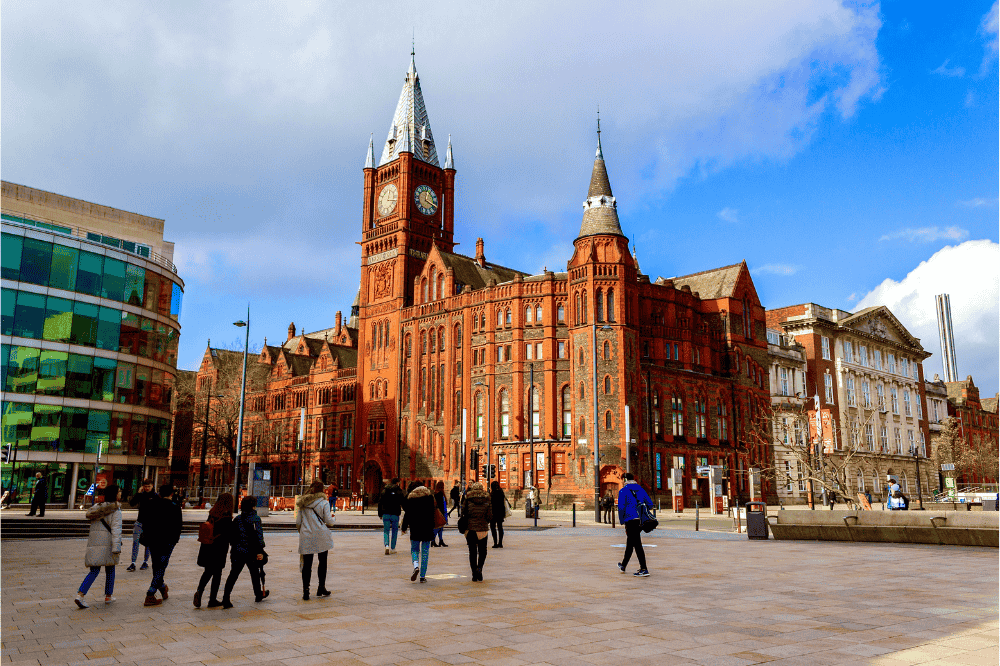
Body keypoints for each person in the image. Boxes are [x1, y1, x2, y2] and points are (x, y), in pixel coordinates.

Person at [73, 484, 122, 608]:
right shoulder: (116, 510)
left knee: (94, 571)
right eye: (119, 491)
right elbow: (116, 530)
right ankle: (108, 596)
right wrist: (117, 548)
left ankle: (80, 594)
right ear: (115, 494)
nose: (120, 493)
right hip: (109, 543)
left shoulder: (96, 507)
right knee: (110, 568)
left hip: (95, 543)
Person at [140, 483, 182, 606]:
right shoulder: (175, 507)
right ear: (171, 494)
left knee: (157, 565)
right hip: (167, 541)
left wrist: (147, 536)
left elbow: (145, 522)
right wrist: (174, 540)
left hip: (153, 540)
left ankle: (162, 586)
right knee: (161, 565)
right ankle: (150, 593)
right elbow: (178, 526)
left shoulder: (152, 504)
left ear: (159, 493)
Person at [222, 496, 267, 608]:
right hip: (251, 551)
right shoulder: (256, 519)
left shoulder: (237, 519)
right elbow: (259, 536)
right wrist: (260, 550)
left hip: (238, 551)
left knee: (233, 574)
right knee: (255, 573)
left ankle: (226, 597)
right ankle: (258, 594)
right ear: (253, 506)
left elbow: (232, 536)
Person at [296, 481, 335, 600]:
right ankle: (321, 587)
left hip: (307, 536)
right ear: (322, 490)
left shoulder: (303, 504)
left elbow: (298, 522)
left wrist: (302, 532)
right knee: (322, 562)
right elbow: (329, 521)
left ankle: (306, 591)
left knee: (307, 564)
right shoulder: (324, 503)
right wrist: (333, 519)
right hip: (321, 535)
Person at [194, 492, 234, 609]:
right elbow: (228, 534)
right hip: (219, 548)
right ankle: (212, 599)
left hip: (207, 545)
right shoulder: (226, 516)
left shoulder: (212, 513)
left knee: (208, 571)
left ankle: (200, 592)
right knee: (217, 573)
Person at [617, 473, 652, 577]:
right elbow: (649, 504)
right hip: (640, 520)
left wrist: (622, 520)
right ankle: (623, 565)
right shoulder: (640, 489)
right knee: (631, 542)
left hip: (630, 520)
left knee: (637, 544)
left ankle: (644, 568)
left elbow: (621, 508)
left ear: (625, 480)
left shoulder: (623, 491)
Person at [400, 481, 435, 583]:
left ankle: (416, 566)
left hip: (415, 528)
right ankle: (422, 577)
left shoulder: (411, 498)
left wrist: (404, 527)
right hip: (427, 528)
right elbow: (433, 513)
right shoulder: (429, 497)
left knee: (414, 550)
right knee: (425, 553)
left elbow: (407, 514)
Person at [462, 482, 493, 581]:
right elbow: (489, 515)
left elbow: (463, 512)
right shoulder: (487, 499)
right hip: (482, 528)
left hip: (470, 528)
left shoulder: (467, 498)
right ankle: (480, 569)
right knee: (483, 551)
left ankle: (474, 573)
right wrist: (485, 521)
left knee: (472, 552)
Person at [127, 479, 156, 572]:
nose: (147, 488)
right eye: (145, 486)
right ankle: (133, 563)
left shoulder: (156, 496)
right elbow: (132, 503)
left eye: (149, 486)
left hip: (150, 524)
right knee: (135, 542)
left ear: (152, 486)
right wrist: (138, 493)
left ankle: (145, 562)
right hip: (139, 522)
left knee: (148, 544)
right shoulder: (141, 495)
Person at [378, 478, 405, 554]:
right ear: (397, 483)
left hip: (385, 513)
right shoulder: (399, 491)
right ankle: (393, 548)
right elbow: (403, 502)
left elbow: (380, 502)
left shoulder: (384, 490)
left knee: (386, 531)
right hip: (395, 514)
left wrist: (380, 514)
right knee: (394, 531)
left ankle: (386, 545)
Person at [489, 480, 507, 548]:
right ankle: (500, 543)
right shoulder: (501, 493)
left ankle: (495, 543)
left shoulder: (492, 494)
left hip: (493, 513)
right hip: (500, 512)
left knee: (493, 528)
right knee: (500, 527)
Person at [432, 481, 449, 547]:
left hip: (437, 511)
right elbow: (442, 504)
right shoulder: (440, 493)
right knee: (439, 527)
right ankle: (434, 540)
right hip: (441, 512)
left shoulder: (435, 493)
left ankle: (440, 540)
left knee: (440, 527)